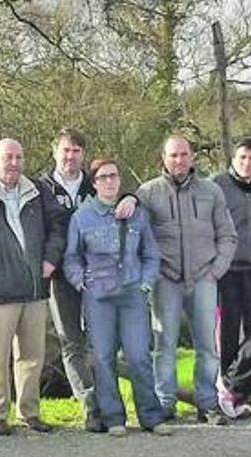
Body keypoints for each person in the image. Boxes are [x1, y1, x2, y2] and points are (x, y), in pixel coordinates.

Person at [0, 138, 67, 436]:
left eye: (19, 157)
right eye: (8, 157)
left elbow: (59, 225)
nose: (14, 163)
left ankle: (29, 412)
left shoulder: (39, 192)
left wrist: (50, 259)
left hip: (35, 288)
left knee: (33, 356)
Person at [63, 158, 172, 437]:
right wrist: (80, 283)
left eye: (113, 176)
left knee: (138, 356)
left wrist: (146, 284)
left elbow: (150, 254)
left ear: (119, 180)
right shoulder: (82, 217)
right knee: (103, 358)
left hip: (132, 295)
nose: (109, 182)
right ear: (94, 183)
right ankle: (113, 418)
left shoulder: (137, 214)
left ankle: (150, 416)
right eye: (103, 177)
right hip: (98, 299)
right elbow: (72, 258)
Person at [40, 128, 137, 432]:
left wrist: (132, 198)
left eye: (76, 151)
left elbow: (124, 199)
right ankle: (90, 406)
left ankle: (111, 403)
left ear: (83, 154)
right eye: (66, 150)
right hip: (60, 276)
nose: (70, 156)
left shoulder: (93, 182)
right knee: (71, 343)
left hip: (99, 273)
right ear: (55, 151)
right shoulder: (41, 188)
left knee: (103, 340)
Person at [136, 135, 237, 425]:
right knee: (164, 344)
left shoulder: (211, 191)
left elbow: (228, 235)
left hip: (204, 278)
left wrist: (216, 269)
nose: (179, 160)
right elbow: (138, 238)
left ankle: (207, 404)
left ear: (192, 157)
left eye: (183, 154)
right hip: (165, 279)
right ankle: (165, 404)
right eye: (173, 155)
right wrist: (150, 271)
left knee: (207, 346)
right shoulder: (148, 193)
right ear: (163, 158)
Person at [211, 138, 251, 419]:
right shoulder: (217, 184)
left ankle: (231, 387)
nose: (246, 163)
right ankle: (232, 401)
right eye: (242, 157)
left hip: (250, 266)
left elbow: (250, 218)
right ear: (233, 160)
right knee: (226, 333)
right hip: (224, 268)